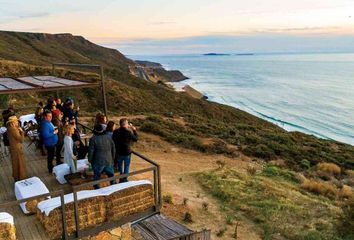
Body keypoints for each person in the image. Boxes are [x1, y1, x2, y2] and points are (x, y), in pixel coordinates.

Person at [88, 124, 116, 189]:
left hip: (98, 162)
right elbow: (113, 149)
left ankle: (97, 190)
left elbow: (91, 151)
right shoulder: (108, 137)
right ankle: (114, 188)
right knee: (111, 177)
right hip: (109, 160)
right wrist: (112, 159)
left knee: (97, 178)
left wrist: (90, 160)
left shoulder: (93, 139)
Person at [112, 118, 138, 183]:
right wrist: (134, 130)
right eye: (127, 123)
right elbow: (136, 139)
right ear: (125, 124)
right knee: (126, 166)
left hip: (118, 152)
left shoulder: (115, 132)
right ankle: (125, 179)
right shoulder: (128, 132)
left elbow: (113, 140)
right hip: (127, 152)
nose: (128, 124)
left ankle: (121, 178)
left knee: (120, 166)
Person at [6, 116, 27, 181]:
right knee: (19, 164)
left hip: (13, 148)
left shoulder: (9, 128)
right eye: (16, 121)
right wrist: (22, 132)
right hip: (17, 149)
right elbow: (21, 140)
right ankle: (20, 178)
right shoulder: (13, 129)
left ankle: (17, 177)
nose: (17, 122)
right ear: (12, 123)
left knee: (16, 163)